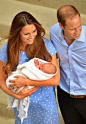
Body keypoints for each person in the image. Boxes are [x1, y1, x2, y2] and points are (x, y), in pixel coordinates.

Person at [0, 11, 60, 124]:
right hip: (22, 105)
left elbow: (56, 80)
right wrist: (16, 95)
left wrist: (25, 81)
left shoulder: (45, 45)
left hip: (46, 104)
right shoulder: (8, 48)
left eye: (34, 31)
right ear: (17, 33)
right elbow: (1, 80)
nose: (32, 36)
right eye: (26, 34)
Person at [50, 5, 86, 124]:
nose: (77, 32)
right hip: (65, 96)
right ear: (61, 26)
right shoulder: (54, 32)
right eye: (72, 29)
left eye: (79, 26)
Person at [6, 58, 57, 123]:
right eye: (42, 65)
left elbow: (55, 81)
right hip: (22, 102)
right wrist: (33, 65)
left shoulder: (48, 49)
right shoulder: (7, 50)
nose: (40, 66)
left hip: (45, 105)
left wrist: (25, 81)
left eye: (42, 69)